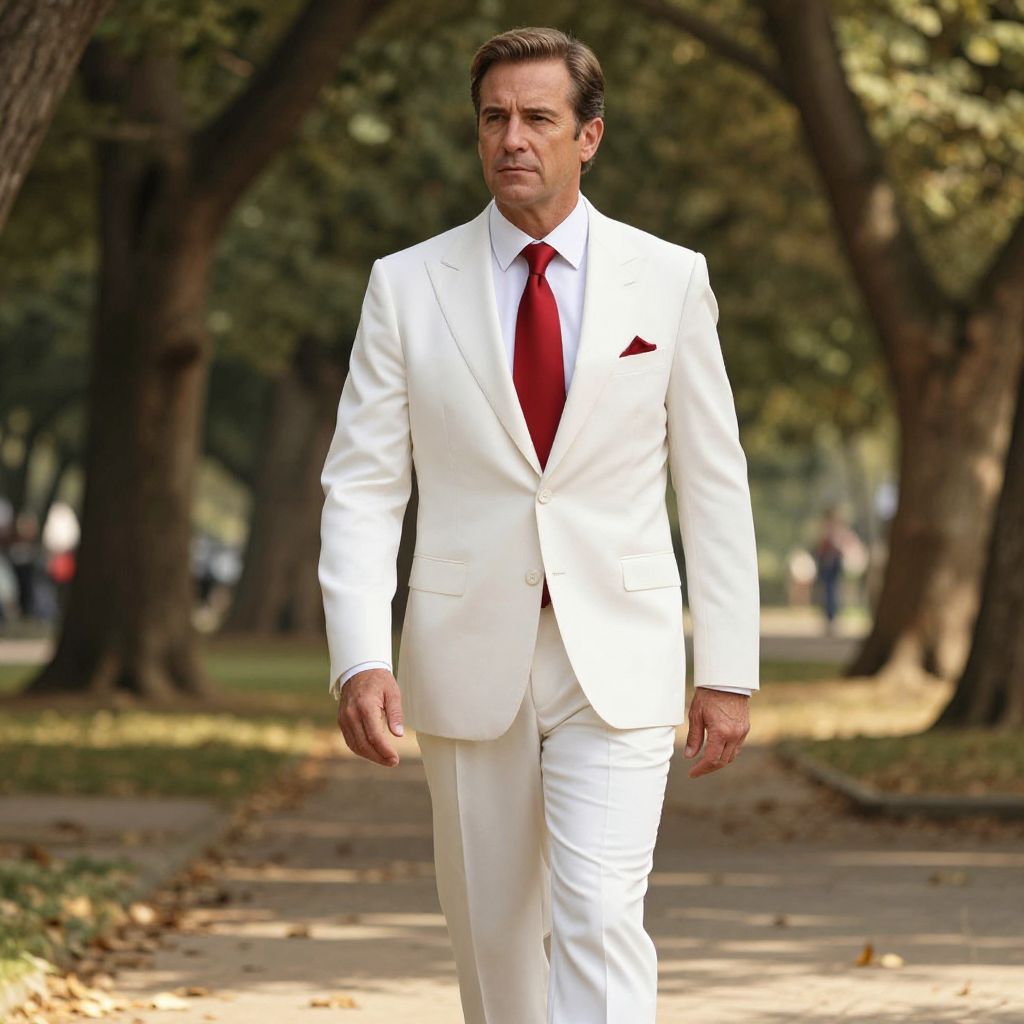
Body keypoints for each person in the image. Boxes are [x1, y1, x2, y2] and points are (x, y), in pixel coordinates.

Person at [318, 27, 760, 1023]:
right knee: (493, 937)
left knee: (601, 912)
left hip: (620, 649)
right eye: (493, 118)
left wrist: (726, 666)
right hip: (466, 652)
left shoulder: (670, 279)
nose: (512, 138)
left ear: (588, 136)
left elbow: (714, 480)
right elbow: (361, 487)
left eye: (537, 119)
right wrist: (357, 655)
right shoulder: (406, 285)